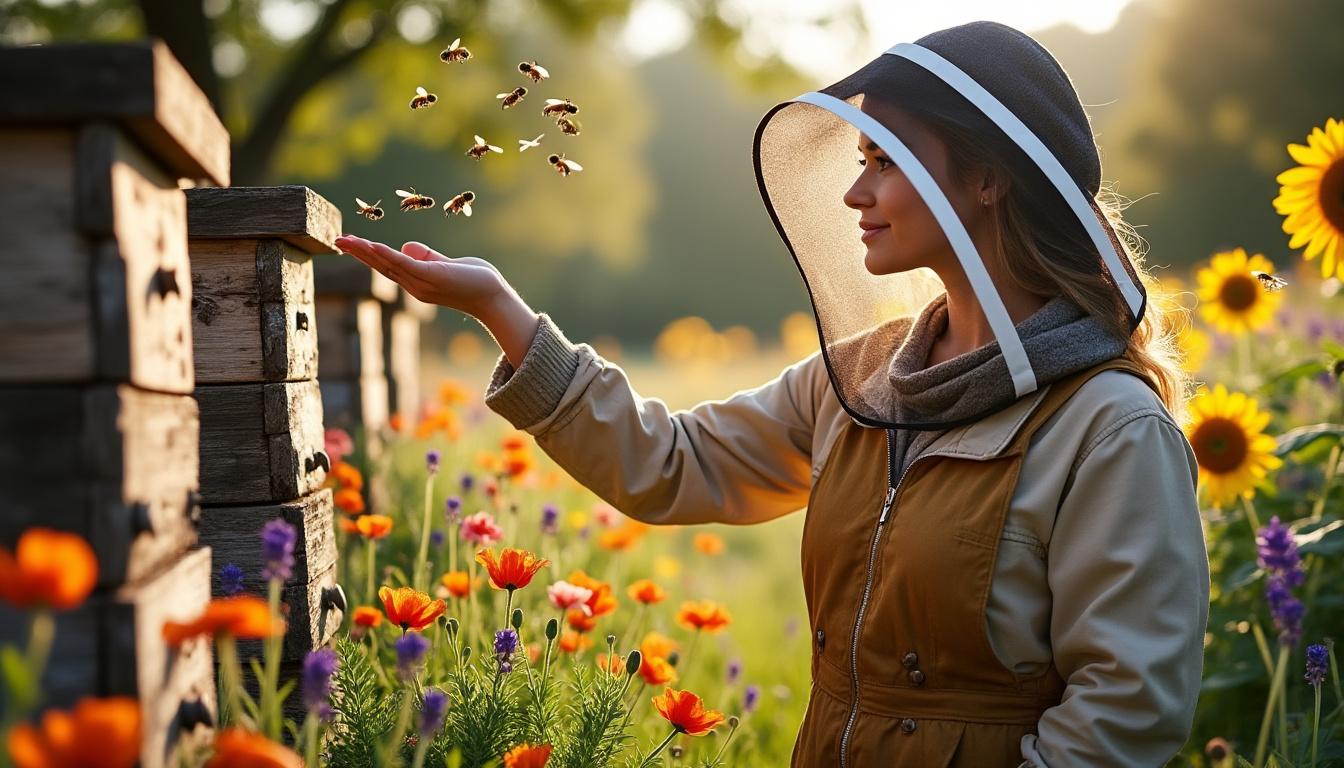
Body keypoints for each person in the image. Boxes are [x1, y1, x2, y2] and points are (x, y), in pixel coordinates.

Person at [336, 20, 1210, 767]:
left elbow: (1122, 716)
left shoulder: (1109, 427)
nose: (853, 191)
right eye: (860, 157)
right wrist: (500, 308)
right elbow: (671, 463)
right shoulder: (861, 378)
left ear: (988, 180)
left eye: (886, 161)